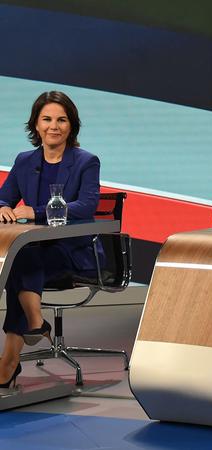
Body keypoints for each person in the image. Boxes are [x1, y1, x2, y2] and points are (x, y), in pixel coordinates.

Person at [0, 91, 102, 388]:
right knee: (24, 258)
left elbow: (86, 206)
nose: (53, 126)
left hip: (72, 252)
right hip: (35, 253)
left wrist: (36, 211)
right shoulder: (24, 161)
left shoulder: (86, 162)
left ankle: (12, 356)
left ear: (72, 126)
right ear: (35, 124)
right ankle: (31, 328)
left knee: (21, 261)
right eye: (46, 119)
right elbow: (3, 198)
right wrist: (4, 208)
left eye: (61, 119)